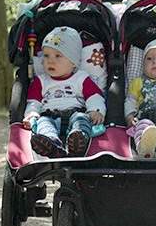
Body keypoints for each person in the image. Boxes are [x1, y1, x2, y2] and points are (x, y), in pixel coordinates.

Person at [22, 27, 105, 158]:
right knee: (43, 124)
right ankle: (52, 144)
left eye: (58, 56)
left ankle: (78, 141)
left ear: (73, 62)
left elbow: (94, 96)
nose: (50, 60)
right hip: (49, 116)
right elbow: (34, 102)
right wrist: (32, 115)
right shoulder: (41, 81)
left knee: (82, 119)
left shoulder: (81, 78)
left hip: (76, 113)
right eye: (46, 55)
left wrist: (96, 110)